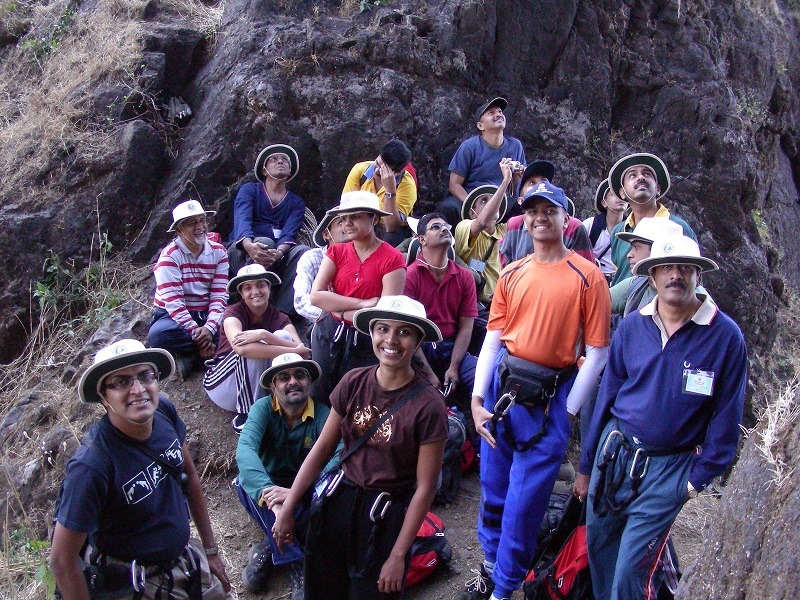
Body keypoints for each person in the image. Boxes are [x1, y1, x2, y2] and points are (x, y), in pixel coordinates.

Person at [456, 182, 611, 600]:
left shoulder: (588, 277)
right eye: (533, 211)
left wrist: (568, 411)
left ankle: (505, 587)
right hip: (502, 391)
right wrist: (477, 401)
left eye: (549, 210)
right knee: (493, 488)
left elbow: (597, 352)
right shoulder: (512, 273)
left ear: (565, 218)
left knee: (525, 503)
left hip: (549, 398)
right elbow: (493, 339)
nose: (540, 218)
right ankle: (491, 568)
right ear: (524, 219)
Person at [574, 235, 747, 600]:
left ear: (698, 275)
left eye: (685, 267)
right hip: (614, 454)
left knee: (631, 572)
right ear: (652, 277)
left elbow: (727, 416)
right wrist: (586, 466)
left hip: (669, 469)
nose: (675, 275)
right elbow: (607, 397)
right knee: (601, 552)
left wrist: (693, 482)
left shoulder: (725, 337)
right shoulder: (633, 327)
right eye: (666, 267)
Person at [272, 295, 448, 600]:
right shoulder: (354, 381)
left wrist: (398, 555)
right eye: (383, 329)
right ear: (372, 333)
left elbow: (425, 487)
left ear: (418, 341)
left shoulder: (428, 405)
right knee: (324, 588)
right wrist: (288, 508)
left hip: (385, 515)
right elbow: (322, 450)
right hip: (338, 501)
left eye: (404, 332)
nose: (391, 339)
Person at [50, 339, 232, 600]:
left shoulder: (163, 413)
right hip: (136, 585)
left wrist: (210, 551)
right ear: (103, 397)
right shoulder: (92, 465)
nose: (138, 389)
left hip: (185, 561)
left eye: (145, 376)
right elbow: (61, 560)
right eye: (121, 382)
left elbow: (189, 476)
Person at [235, 352, 338, 597]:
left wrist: (294, 495)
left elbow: (339, 456)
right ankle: (295, 561)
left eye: (299, 375)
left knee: (329, 497)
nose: (293, 382)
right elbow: (245, 449)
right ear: (273, 387)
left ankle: (268, 549)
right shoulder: (262, 409)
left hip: (305, 490)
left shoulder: (323, 414)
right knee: (244, 481)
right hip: (270, 492)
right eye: (284, 377)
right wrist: (280, 508)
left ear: (309, 382)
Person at [309, 191, 406, 404]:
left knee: (358, 397)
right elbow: (316, 296)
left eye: (355, 217)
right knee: (319, 391)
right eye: (344, 219)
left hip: (367, 337)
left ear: (374, 218)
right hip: (329, 330)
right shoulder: (336, 252)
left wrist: (337, 306)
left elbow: (385, 312)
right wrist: (361, 304)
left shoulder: (392, 258)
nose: (347, 224)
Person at [202, 264, 310, 434]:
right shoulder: (232, 313)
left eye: (260, 285)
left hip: (259, 386)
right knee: (251, 348)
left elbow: (300, 353)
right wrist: (292, 348)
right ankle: (247, 415)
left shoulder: (279, 317)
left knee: (283, 336)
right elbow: (242, 350)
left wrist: (265, 335)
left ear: (269, 288)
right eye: (248, 288)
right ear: (241, 293)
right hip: (223, 384)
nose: (255, 292)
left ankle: (278, 406)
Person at [148, 199, 228, 378]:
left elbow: (219, 295)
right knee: (159, 335)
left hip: (205, 312)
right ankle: (207, 354)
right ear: (179, 230)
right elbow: (174, 304)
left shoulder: (219, 252)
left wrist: (209, 328)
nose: (200, 227)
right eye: (192, 223)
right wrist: (198, 334)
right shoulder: (169, 257)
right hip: (173, 316)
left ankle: (190, 357)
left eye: (202, 220)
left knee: (233, 325)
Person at [404, 212, 478, 406]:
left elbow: (466, 327)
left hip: (452, 348)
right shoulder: (410, 275)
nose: (444, 229)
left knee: (483, 381)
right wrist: (428, 373)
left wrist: (454, 366)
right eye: (435, 227)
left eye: (446, 226)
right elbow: (407, 330)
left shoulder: (465, 276)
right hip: (418, 349)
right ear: (422, 239)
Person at [228, 144, 310, 316]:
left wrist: (279, 253)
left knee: (304, 252)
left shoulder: (296, 203)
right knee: (265, 242)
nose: (280, 161)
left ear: (289, 172)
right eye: (274, 159)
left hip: (276, 254)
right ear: (264, 171)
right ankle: (253, 308)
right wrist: (249, 245)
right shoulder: (249, 190)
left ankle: (282, 313)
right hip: (243, 252)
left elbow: (289, 233)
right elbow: (242, 220)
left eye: (284, 160)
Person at [606, 152, 696, 285]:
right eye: (632, 175)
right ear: (622, 193)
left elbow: (692, 277)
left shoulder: (677, 227)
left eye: (647, 174)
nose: (641, 177)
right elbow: (619, 273)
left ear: (657, 188)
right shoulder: (619, 232)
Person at [437, 97, 525, 227]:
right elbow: (454, 184)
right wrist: (472, 206)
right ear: (480, 125)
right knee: (448, 207)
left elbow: (517, 185)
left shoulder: (515, 146)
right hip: (472, 200)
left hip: (502, 202)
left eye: (500, 112)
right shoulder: (469, 147)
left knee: (527, 206)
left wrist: (517, 177)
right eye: (491, 113)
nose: (498, 115)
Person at [498, 163, 595, 266]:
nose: (539, 186)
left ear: (565, 219)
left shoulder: (574, 227)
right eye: (532, 183)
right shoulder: (514, 225)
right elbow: (503, 266)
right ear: (521, 201)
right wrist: (506, 181)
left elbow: (585, 269)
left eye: (543, 181)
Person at [453, 159, 513, 305]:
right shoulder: (464, 226)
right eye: (484, 201)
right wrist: (505, 182)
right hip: (478, 305)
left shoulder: (506, 229)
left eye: (494, 200)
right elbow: (483, 222)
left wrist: (518, 183)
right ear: (472, 213)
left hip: (504, 303)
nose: (492, 203)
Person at [342, 139, 416, 246]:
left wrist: (390, 190)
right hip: (360, 221)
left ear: (397, 172)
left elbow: (391, 226)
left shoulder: (406, 185)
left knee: (391, 238)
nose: (376, 171)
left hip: (386, 230)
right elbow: (345, 207)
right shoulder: (360, 170)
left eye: (384, 170)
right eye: (377, 164)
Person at [609, 218, 684, 317]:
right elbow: (594, 301)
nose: (629, 255)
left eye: (636, 247)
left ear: (655, 251)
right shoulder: (636, 284)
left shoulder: (697, 297)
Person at [292, 213, 348, 327]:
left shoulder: (363, 258)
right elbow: (301, 301)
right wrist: (335, 315)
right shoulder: (312, 257)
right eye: (340, 222)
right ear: (326, 234)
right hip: (320, 323)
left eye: (351, 220)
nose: (347, 225)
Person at [582, 180, 628, 283]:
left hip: (622, 281)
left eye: (622, 194)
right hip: (593, 280)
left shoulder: (632, 228)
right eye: (613, 194)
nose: (620, 198)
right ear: (604, 203)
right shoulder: (590, 225)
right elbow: (576, 253)